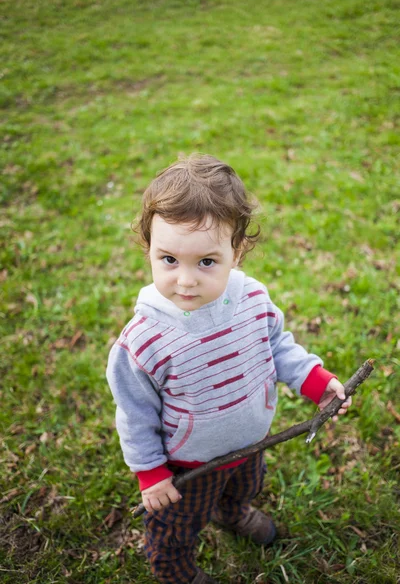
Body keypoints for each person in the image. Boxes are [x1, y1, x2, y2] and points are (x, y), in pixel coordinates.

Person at [106, 154, 352, 584]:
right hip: (188, 464)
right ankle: (174, 569)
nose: (185, 280)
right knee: (178, 526)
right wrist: (150, 473)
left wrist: (315, 382)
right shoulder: (142, 341)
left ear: (235, 252)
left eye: (206, 262)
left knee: (245, 486)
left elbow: (277, 346)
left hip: (249, 442)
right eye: (168, 259)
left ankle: (233, 512)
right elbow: (135, 413)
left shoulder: (252, 299)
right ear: (148, 246)